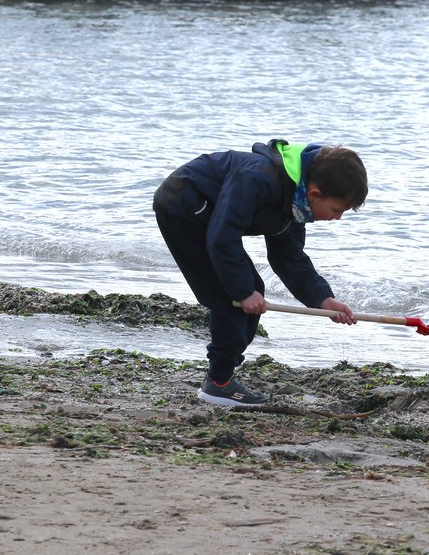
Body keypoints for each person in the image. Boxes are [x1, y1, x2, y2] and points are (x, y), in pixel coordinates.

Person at [153, 140, 368, 407]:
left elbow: (289, 259)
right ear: (314, 193)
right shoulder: (258, 179)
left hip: (213, 221)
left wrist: (323, 300)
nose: (337, 218)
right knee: (230, 297)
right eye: (337, 210)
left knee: (249, 293)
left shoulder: (296, 204)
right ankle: (218, 383)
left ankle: (221, 378)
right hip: (184, 204)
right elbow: (222, 236)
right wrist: (243, 291)